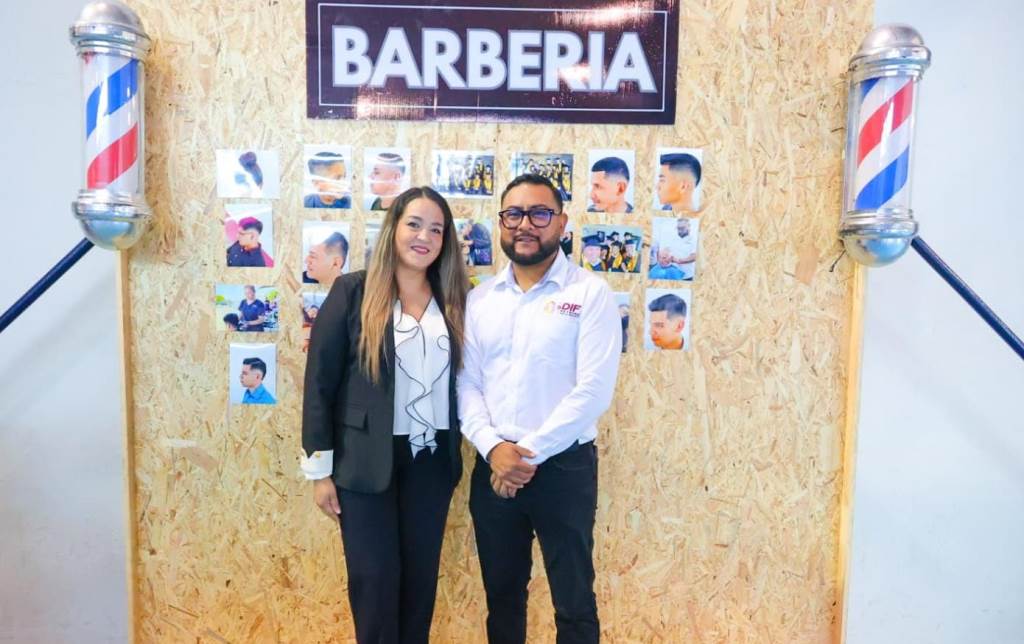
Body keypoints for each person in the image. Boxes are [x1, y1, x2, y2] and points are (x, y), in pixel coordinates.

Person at [302, 186, 469, 644]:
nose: (424, 236)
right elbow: (320, 382)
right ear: (394, 228)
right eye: (414, 224)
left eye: (436, 229)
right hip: (363, 461)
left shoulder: (455, 297)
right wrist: (319, 471)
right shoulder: (353, 290)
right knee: (374, 582)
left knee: (418, 586)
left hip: (431, 461)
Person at [459, 173, 622, 644]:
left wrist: (525, 454)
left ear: (562, 223)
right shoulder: (480, 300)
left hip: (563, 468)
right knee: (502, 599)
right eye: (513, 214)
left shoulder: (589, 294)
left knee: (574, 602)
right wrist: (495, 450)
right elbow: (466, 383)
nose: (525, 224)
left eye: (539, 213)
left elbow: (593, 390)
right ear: (501, 223)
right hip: (494, 466)